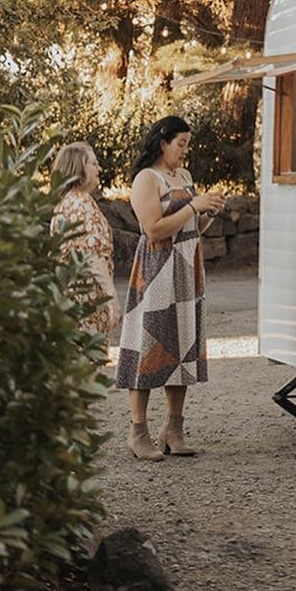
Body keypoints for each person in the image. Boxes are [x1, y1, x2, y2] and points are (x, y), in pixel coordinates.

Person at [114, 116, 224, 461]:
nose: (184, 152)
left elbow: (195, 226)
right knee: (150, 345)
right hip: (157, 270)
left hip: (187, 268)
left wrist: (208, 213)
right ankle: (138, 432)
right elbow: (154, 229)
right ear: (163, 141)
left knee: (182, 346)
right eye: (181, 144)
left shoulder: (185, 177)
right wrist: (193, 205)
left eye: (187, 145)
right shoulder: (147, 179)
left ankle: (173, 429)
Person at [50, 141, 120, 349]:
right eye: (93, 164)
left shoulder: (67, 203)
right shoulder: (80, 204)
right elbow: (91, 255)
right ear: (78, 167)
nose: (99, 169)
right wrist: (111, 297)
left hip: (72, 299)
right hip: (85, 301)